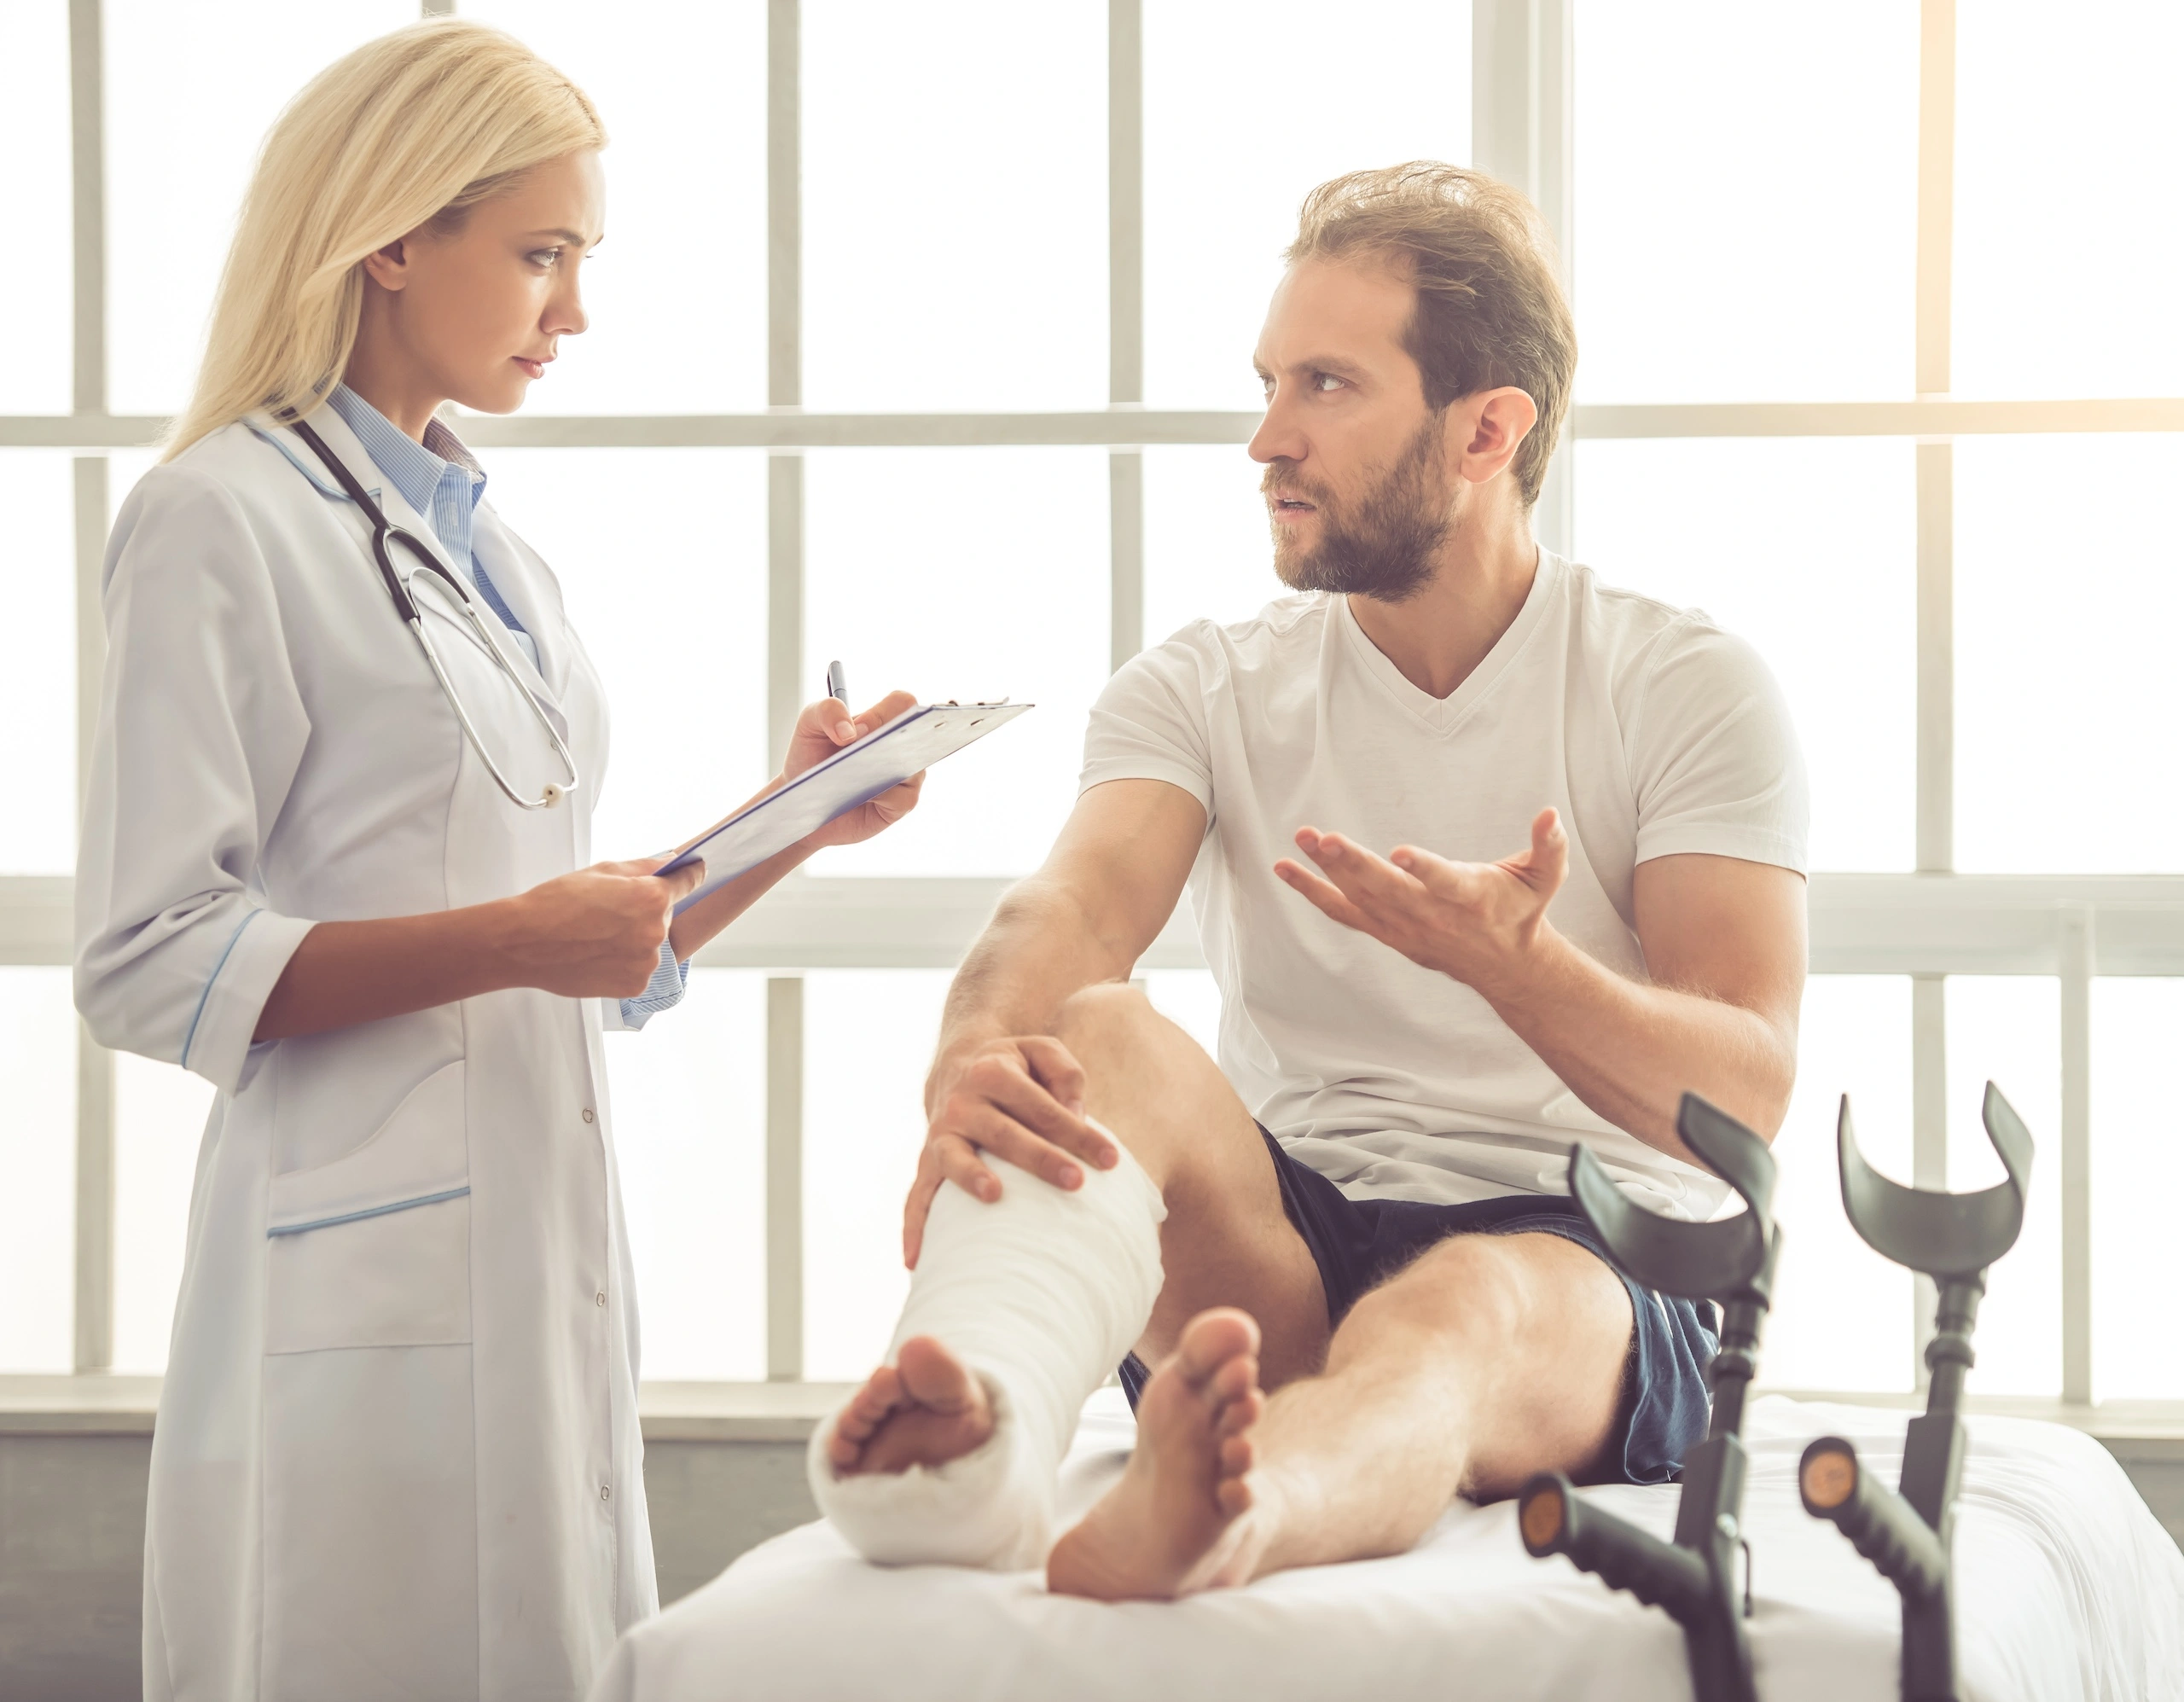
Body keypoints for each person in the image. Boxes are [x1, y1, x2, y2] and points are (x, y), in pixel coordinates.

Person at [804, 162, 1809, 1600]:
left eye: (1327, 386)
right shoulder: (1207, 685)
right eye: (1271, 382)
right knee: (1088, 1031)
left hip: (1583, 1253)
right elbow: (1073, 911)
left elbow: (1746, 1096)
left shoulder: (1682, 684)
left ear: (1487, 429)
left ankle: (1238, 1511)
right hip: (1294, 1246)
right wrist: (974, 1059)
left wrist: (1522, 971)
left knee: (1464, 1300)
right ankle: (978, 1420)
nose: (1268, 438)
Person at [73, 20, 921, 1699]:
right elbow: (151, 953)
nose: (574, 310)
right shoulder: (216, 518)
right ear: (393, 236)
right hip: (351, 1282)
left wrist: (789, 820)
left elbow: (578, 939)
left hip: (534, 1253)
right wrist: (518, 941)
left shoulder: (497, 552)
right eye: (542, 255)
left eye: (581, 260)